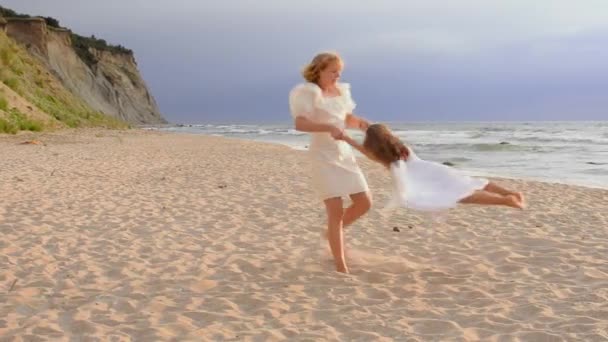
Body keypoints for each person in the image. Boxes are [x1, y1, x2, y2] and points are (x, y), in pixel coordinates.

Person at [289, 52, 372, 273]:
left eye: (339, 72)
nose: (337, 75)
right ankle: (340, 264)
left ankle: (331, 234)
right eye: (333, 71)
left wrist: (360, 123)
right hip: (323, 156)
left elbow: (345, 118)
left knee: (364, 202)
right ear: (319, 71)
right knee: (335, 211)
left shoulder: (341, 91)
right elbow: (300, 124)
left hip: (344, 153)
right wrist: (328, 128)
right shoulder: (308, 92)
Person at [340, 124, 526, 211]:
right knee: (470, 182)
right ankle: (509, 192)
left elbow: (367, 152)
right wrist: (365, 127)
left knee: (463, 195)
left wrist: (347, 139)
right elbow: (379, 135)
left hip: (423, 181)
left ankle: (506, 201)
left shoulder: (385, 158)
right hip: (433, 169)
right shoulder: (401, 147)